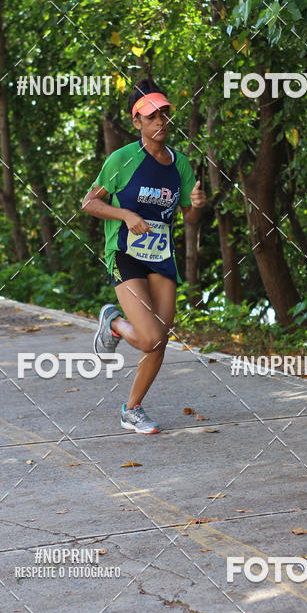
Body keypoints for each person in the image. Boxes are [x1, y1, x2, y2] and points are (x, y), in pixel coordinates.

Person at [81, 78, 206, 434]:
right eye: (152, 117)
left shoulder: (180, 165)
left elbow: (189, 218)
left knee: (160, 339)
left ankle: (131, 409)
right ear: (137, 122)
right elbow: (89, 203)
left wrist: (196, 205)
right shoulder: (122, 159)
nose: (161, 122)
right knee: (150, 337)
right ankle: (114, 323)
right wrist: (126, 215)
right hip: (125, 253)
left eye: (164, 114)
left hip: (160, 255)